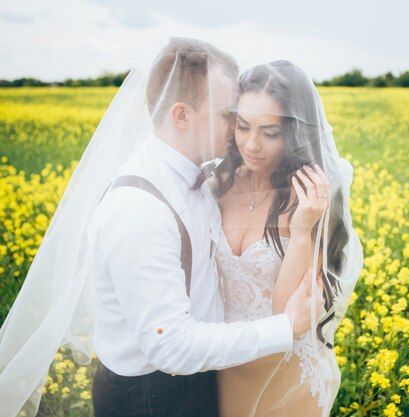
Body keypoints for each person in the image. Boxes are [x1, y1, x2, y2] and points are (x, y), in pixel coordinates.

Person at [0, 38, 323, 417]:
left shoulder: (204, 178)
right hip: (155, 398)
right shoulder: (139, 211)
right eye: (227, 115)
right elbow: (169, 345)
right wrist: (284, 329)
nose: (236, 129)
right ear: (182, 115)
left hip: (207, 379)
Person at [209, 60, 363, 417]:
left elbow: (285, 314)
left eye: (270, 132)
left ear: (294, 133)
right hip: (226, 365)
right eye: (243, 126)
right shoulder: (219, 183)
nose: (251, 144)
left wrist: (301, 229)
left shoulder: (309, 197)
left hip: (286, 376)